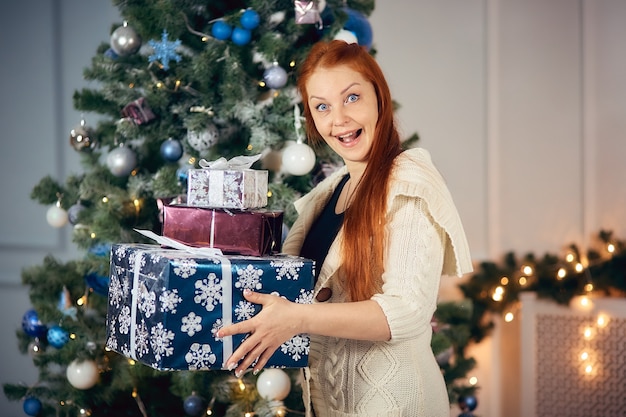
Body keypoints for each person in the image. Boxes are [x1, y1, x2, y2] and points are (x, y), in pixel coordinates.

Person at [217, 39, 473, 417]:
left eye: (351, 98)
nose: (338, 119)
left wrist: (297, 317)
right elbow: (290, 289)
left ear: (378, 97)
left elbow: (406, 311)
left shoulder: (409, 181)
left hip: (395, 404)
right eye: (322, 106)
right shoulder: (329, 191)